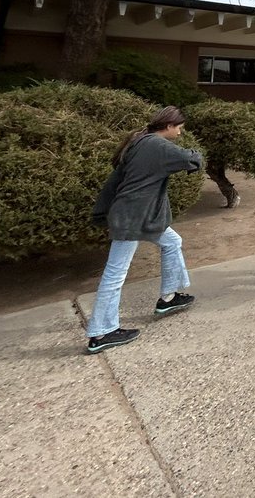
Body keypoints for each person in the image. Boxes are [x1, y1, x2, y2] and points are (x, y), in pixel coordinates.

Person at [86, 106, 203, 353]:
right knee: (115, 274)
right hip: (133, 217)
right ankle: (101, 332)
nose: (180, 133)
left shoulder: (140, 141)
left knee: (172, 242)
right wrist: (196, 154)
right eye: (179, 128)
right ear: (169, 126)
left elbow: (115, 180)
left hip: (139, 215)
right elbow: (190, 159)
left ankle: (169, 297)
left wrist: (101, 210)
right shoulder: (158, 146)